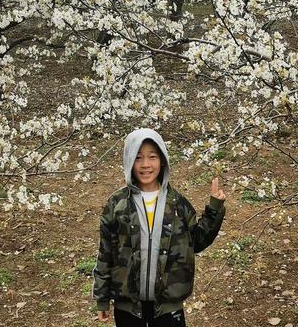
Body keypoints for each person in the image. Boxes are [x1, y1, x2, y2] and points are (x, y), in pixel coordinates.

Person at [92, 128, 226, 326]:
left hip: (169, 305)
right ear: (129, 160)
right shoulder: (116, 204)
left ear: (162, 160)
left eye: (152, 157)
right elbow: (105, 253)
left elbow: (196, 242)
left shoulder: (178, 204)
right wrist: (102, 297)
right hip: (127, 306)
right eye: (138, 158)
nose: (146, 165)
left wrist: (214, 208)